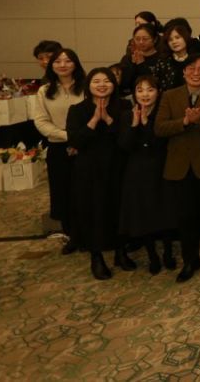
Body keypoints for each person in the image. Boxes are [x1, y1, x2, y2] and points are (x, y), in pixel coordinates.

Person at [155, 55, 200, 282]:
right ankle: (190, 260)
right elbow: (159, 128)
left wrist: (199, 120)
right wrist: (185, 122)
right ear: (184, 72)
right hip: (179, 167)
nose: (196, 72)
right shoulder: (169, 95)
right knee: (185, 217)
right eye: (191, 68)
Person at [65, 67, 128, 280]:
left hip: (118, 166)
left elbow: (126, 138)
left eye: (107, 81)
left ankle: (121, 251)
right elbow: (75, 141)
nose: (102, 85)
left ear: (114, 84)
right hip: (89, 168)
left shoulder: (124, 107)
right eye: (96, 81)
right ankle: (96, 256)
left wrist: (108, 119)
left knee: (118, 208)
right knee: (93, 210)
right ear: (88, 85)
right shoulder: (77, 110)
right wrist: (93, 120)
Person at [117, 74, 177, 274]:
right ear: (134, 93)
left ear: (158, 92)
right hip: (137, 171)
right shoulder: (127, 115)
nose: (145, 94)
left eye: (150, 89)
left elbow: (159, 143)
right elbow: (124, 146)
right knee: (144, 214)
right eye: (140, 90)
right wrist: (135, 125)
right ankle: (152, 255)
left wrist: (146, 124)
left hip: (161, 167)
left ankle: (168, 252)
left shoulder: (164, 113)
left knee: (165, 212)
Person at [32, 48, 86, 254]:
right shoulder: (44, 91)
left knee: (85, 191)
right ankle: (71, 235)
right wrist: (67, 136)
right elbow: (41, 121)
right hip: (58, 147)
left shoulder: (86, 87)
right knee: (63, 193)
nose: (63, 65)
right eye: (58, 61)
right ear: (51, 66)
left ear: (75, 64)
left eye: (68, 61)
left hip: (85, 146)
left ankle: (88, 234)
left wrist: (79, 139)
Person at [119, 23, 163, 95]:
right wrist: (133, 64)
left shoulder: (162, 58)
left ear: (154, 39)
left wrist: (141, 64)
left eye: (145, 39)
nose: (141, 42)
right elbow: (124, 83)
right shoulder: (127, 58)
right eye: (137, 39)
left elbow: (156, 83)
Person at [155, 24, 194, 92]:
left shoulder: (195, 59)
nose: (174, 42)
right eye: (170, 40)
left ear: (185, 38)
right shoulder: (163, 61)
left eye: (177, 37)